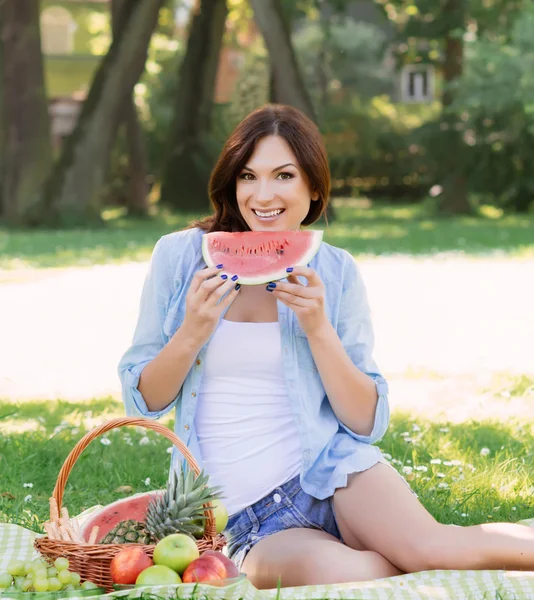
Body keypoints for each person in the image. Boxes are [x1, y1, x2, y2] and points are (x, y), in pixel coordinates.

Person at [118, 104, 534, 589]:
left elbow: (365, 421)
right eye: (248, 176)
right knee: (347, 574)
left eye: (284, 175)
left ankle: (429, 546)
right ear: (231, 182)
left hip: (332, 473)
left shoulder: (335, 271)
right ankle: (402, 548)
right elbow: (143, 401)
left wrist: (318, 328)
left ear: (313, 188)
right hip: (245, 520)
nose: (263, 194)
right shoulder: (180, 257)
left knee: (431, 548)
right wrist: (192, 330)